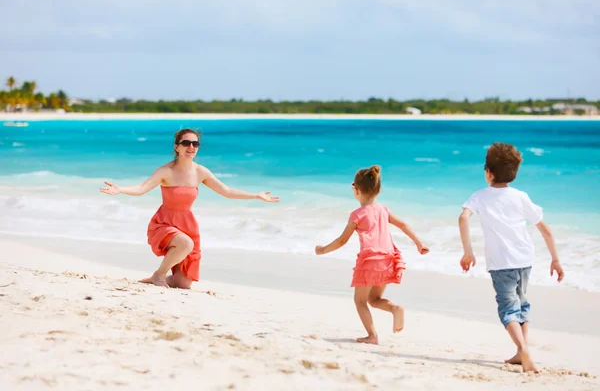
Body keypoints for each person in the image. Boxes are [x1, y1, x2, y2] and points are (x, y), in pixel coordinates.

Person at [100, 128, 279, 288]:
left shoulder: (201, 172)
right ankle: (159, 274)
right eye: (186, 143)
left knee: (183, 283)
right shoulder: (166, 171)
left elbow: (226, 191)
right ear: (177, 147)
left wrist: (255, 195)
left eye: (195, 143)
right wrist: (120, 189)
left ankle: (153, 279)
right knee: (185, 243)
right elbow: (141, 189)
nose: (191, 147)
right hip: (164, 223)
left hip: (187, 224)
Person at [458, 142, 565, 372]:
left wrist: (468, 251)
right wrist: (555, 259)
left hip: (501, 263)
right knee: (522, 304)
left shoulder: (480, 196)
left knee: (507, 308)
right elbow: (545, 230)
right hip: (524, 259)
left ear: (488, 172)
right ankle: (520, 351)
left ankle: (524, 352)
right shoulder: (520, 196)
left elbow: (463, 218)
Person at [315, 165, 429, 345]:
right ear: (378, 190)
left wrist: (322, 250)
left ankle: (372, 335)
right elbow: (403, 224)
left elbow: (342, 241)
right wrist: (419, 243)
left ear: (356, 189)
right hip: (389, 261)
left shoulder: (357, 214)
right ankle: (395, 309)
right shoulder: (383, 209)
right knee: (374, 299)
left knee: (360, 301)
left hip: (370, 263)